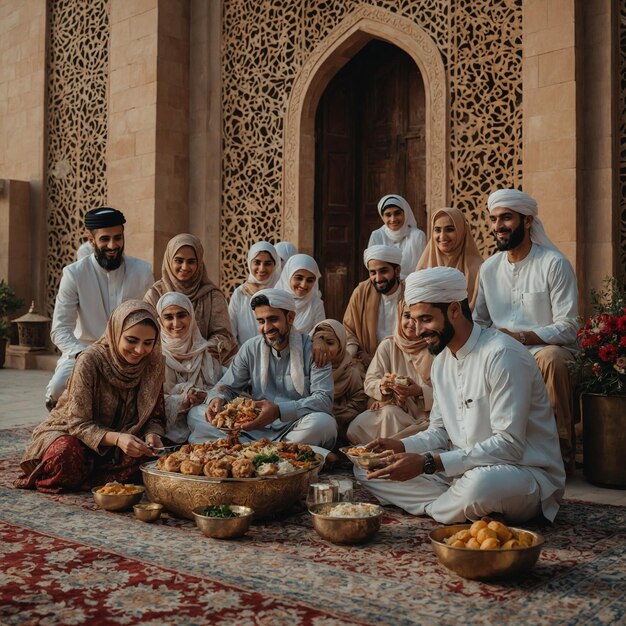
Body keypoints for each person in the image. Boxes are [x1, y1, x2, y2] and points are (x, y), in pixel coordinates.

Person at [357, 267, 566, 524]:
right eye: (413, 319)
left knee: (481, 485)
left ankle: (443, 506)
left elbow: (509, 445)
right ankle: (460, 507)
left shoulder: (502, 355)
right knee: (367, 468)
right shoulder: (442, 362)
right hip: (459, 472)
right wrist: (401, 446)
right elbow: (440, 431)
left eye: (426, 319)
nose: (418, 329)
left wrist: (427, 464)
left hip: (521, 473)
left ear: (454, 310)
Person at [473, 189, 579, 471]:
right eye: (494, 219)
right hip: (503, 351)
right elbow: (479, 322)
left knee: (551, 358)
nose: (498, 226)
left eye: (506, 218)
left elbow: (569, 327)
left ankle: (560, 454)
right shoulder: (489, 269)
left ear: (528, 221)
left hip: (546, 350)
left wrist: (521, 337)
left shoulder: (554, 264)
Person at [16, 300, 166, 493]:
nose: (139, 350)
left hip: (123, 439)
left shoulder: (152, 364)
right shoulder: (90, 360)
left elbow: (155, 416)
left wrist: (152, 435)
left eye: (148, 343)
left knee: (159, 456)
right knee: (65, 456)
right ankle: (93, 475)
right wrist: (118, 439)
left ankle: (89, 476)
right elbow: (78, 423)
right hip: (74, 433)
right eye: (131, 340)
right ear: (115, 332)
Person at [188, 289, 337, 450]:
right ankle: (276, 451)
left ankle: (249, 450)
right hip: (253, 429)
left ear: (290, 318)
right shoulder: (250, 348)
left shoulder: (313, 350)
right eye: (261, 321)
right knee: (196, 414)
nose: (267, 328)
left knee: (324, 424)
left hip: (293, 428)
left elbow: (323, 400)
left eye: (273, 319)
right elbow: (228, 386)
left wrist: (279, 411)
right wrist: (217, 399)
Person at [46, 207, 154, 408]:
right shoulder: (74, 274)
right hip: (84, 350)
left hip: (130, 352)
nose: (112, 245)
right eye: (105, 239)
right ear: (91, 240)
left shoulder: (142, 271)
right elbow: (60, 329)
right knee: (58, 388)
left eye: (118, 238)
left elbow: (151, 320)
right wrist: (86, 356)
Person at [347, 299, 433, 444]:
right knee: (355, 428)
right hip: (393, 406)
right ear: (399, 316)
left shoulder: (434, 348)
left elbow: (448, 392)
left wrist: (419, 391)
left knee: (389, 416)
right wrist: (383, 386)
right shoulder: (389, 345)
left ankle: (389, 448)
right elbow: (370, 381)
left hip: (424, 415)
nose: (411, 324)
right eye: (406, 316)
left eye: (417, 319)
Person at [145, 233, 237, 366]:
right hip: (163, 365)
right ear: (169, 259)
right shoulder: (155, 294)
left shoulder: (212, 295)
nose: (185, 267)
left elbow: (223, 334)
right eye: (179, 260)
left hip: (203, 366)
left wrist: (200, 351)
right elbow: (145, 332)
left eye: (191, 261)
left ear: (199, 262)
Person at [156, 292, 223, 443]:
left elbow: (221, 388)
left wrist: (204, 396)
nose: (176, 323)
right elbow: (148, 401)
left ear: (191, 317)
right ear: (160, 321)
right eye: (168, 317)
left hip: (204, 425)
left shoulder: (206, 352)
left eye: (181, 315)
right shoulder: (154, 354)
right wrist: (183, 399)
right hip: (164, 432)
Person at [343, 245, 404, 368]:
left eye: (383, 271)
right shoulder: (361, 292)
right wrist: (360, 354)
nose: (378, 278)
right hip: (367, 362)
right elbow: (349, 331)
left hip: (403, 360)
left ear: (397, 271)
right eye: (373, 273)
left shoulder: (409, 294)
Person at [310, 319, 368, 443]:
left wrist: (335, 416)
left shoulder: (352, 371)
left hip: (343, 427)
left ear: (341, 345)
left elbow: (360, 401)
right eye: (319, 342)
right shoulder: (307, 368)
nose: (323, 348)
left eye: (330, 343)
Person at [416, 207, 483, 310]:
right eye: (437, 230)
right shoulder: (423, 267)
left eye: (450, 229)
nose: (442, 237)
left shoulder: (478, 268)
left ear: (461, 231)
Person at [228, 241, 282, 345]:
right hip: (245, 356)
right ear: (249, 263)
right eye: (257, 262)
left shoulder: (280, 291)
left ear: (275, 264)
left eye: (267, 263)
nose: (261, 269)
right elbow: (231, 330)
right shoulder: (240, 293)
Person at [368, 194, 426, 279]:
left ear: (405, 213)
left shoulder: (417, 236)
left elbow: (423, 267)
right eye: (388, 215)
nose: (393, 219)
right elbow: (372, 267)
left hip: (411, 285)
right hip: (384, 284)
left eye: (397, 213)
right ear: (382, 217)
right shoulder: (377, 236)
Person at [276, 253, 326, 333]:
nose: (303, 285)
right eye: (299, 278)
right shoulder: (274, 299)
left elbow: (318, 336)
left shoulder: (316, 305)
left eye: (310, 280)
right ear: (288, 275)